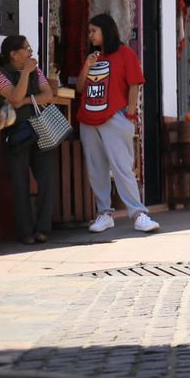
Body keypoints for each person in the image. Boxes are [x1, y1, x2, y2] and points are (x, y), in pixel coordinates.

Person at [77, 14, 159, 234]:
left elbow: (134, 84)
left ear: (106, 30)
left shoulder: (125, 54)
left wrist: (130, 114)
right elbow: (79, 88)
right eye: (90, 31)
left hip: (115, 117)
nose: (90, 35)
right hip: (88, 119)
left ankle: (139, 213)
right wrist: (87, 65)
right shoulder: (91, 56)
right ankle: (104, 213)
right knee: (96, 169)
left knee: (122, 167)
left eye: (94, 30)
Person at [0, 36, 57, 244]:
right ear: (13, 54)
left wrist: (28, 100)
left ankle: (43, 228)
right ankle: (26, 232)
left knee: (47, 179)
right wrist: (26, 73)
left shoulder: (37, 72)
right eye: (27, 49)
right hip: (16, 134)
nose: (31, 53)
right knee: (20, 183)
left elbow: (48, 95)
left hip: (41, 129)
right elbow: (15, 97)